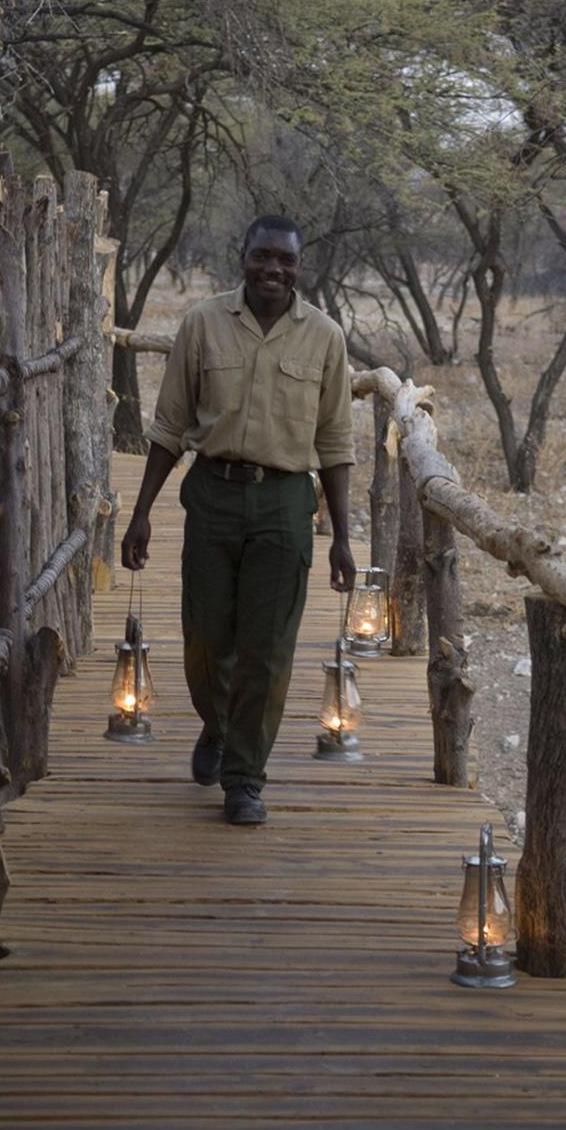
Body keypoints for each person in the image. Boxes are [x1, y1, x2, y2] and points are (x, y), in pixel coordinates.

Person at [120, 214, 356, 826]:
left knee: (268, 650)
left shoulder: (325, 337)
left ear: (300, 267)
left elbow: (335, 442)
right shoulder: (202, 324)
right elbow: (170, 425)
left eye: (286, 259)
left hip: (284, 504)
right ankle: (217, 726)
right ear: (242, 256)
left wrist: (343, 540)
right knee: (204, 638)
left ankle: (245, 777)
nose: (273, 269)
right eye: (262, 257)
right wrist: (141, 512)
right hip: (213, 496)